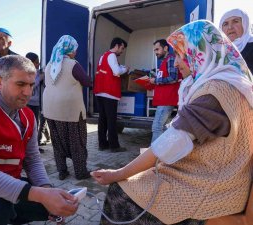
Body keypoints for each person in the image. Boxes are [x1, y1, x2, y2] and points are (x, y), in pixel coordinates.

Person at [92, 20, 253, 225]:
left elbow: (171, 142)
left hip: (213, 187)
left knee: (120, 191)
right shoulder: (229, 83)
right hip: (211, 174)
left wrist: (118, 173)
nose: (175, 63)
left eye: (179, 55)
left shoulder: (216, 91)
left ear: (198, 52)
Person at [0, 55, 78, 225]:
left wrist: (47, 191)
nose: (28, 92)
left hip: (2, 181)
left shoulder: (27, 116)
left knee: (48, 204)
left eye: (31, 85)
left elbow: (32, 160)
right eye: (20, 84)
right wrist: (39, 194)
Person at [43, 35, 91, 180]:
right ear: (70, 49)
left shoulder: (49, 65)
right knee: (77, 141)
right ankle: (80, 172)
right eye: (75, 49)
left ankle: (62, 171)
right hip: (70, 110)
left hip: (50, 109)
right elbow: (87, 82)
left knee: (57, 142)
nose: (76, 52)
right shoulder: (73, 64)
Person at [93, 37, 129, 152]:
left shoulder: (103, 56)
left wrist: (120, 68)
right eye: (122, 48)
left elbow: (108, 69)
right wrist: (126, 69)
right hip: (109, 93)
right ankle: (114, 146)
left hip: (100, 92)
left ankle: (102, 144)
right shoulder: (112, 55)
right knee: (111, 120)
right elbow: (117, 71)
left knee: (102, 119)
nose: (122, 51)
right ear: (117, 46)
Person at [149, 39, 181, 143]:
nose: (156, 52)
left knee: (157, 127)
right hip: (165, 99)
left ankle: (154, 156)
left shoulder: (170, 59)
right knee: (162, 128)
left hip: (166, 100)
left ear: (166, 48)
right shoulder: (166, 60)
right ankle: (163, 153)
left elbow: (173, 78)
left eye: (157, 49)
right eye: (154, 50)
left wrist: (156, 80)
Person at [220, 8, 253, 73]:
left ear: (245, 24)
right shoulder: (218, 50)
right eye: (225, 24)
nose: (230, 27)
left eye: (235, 21)